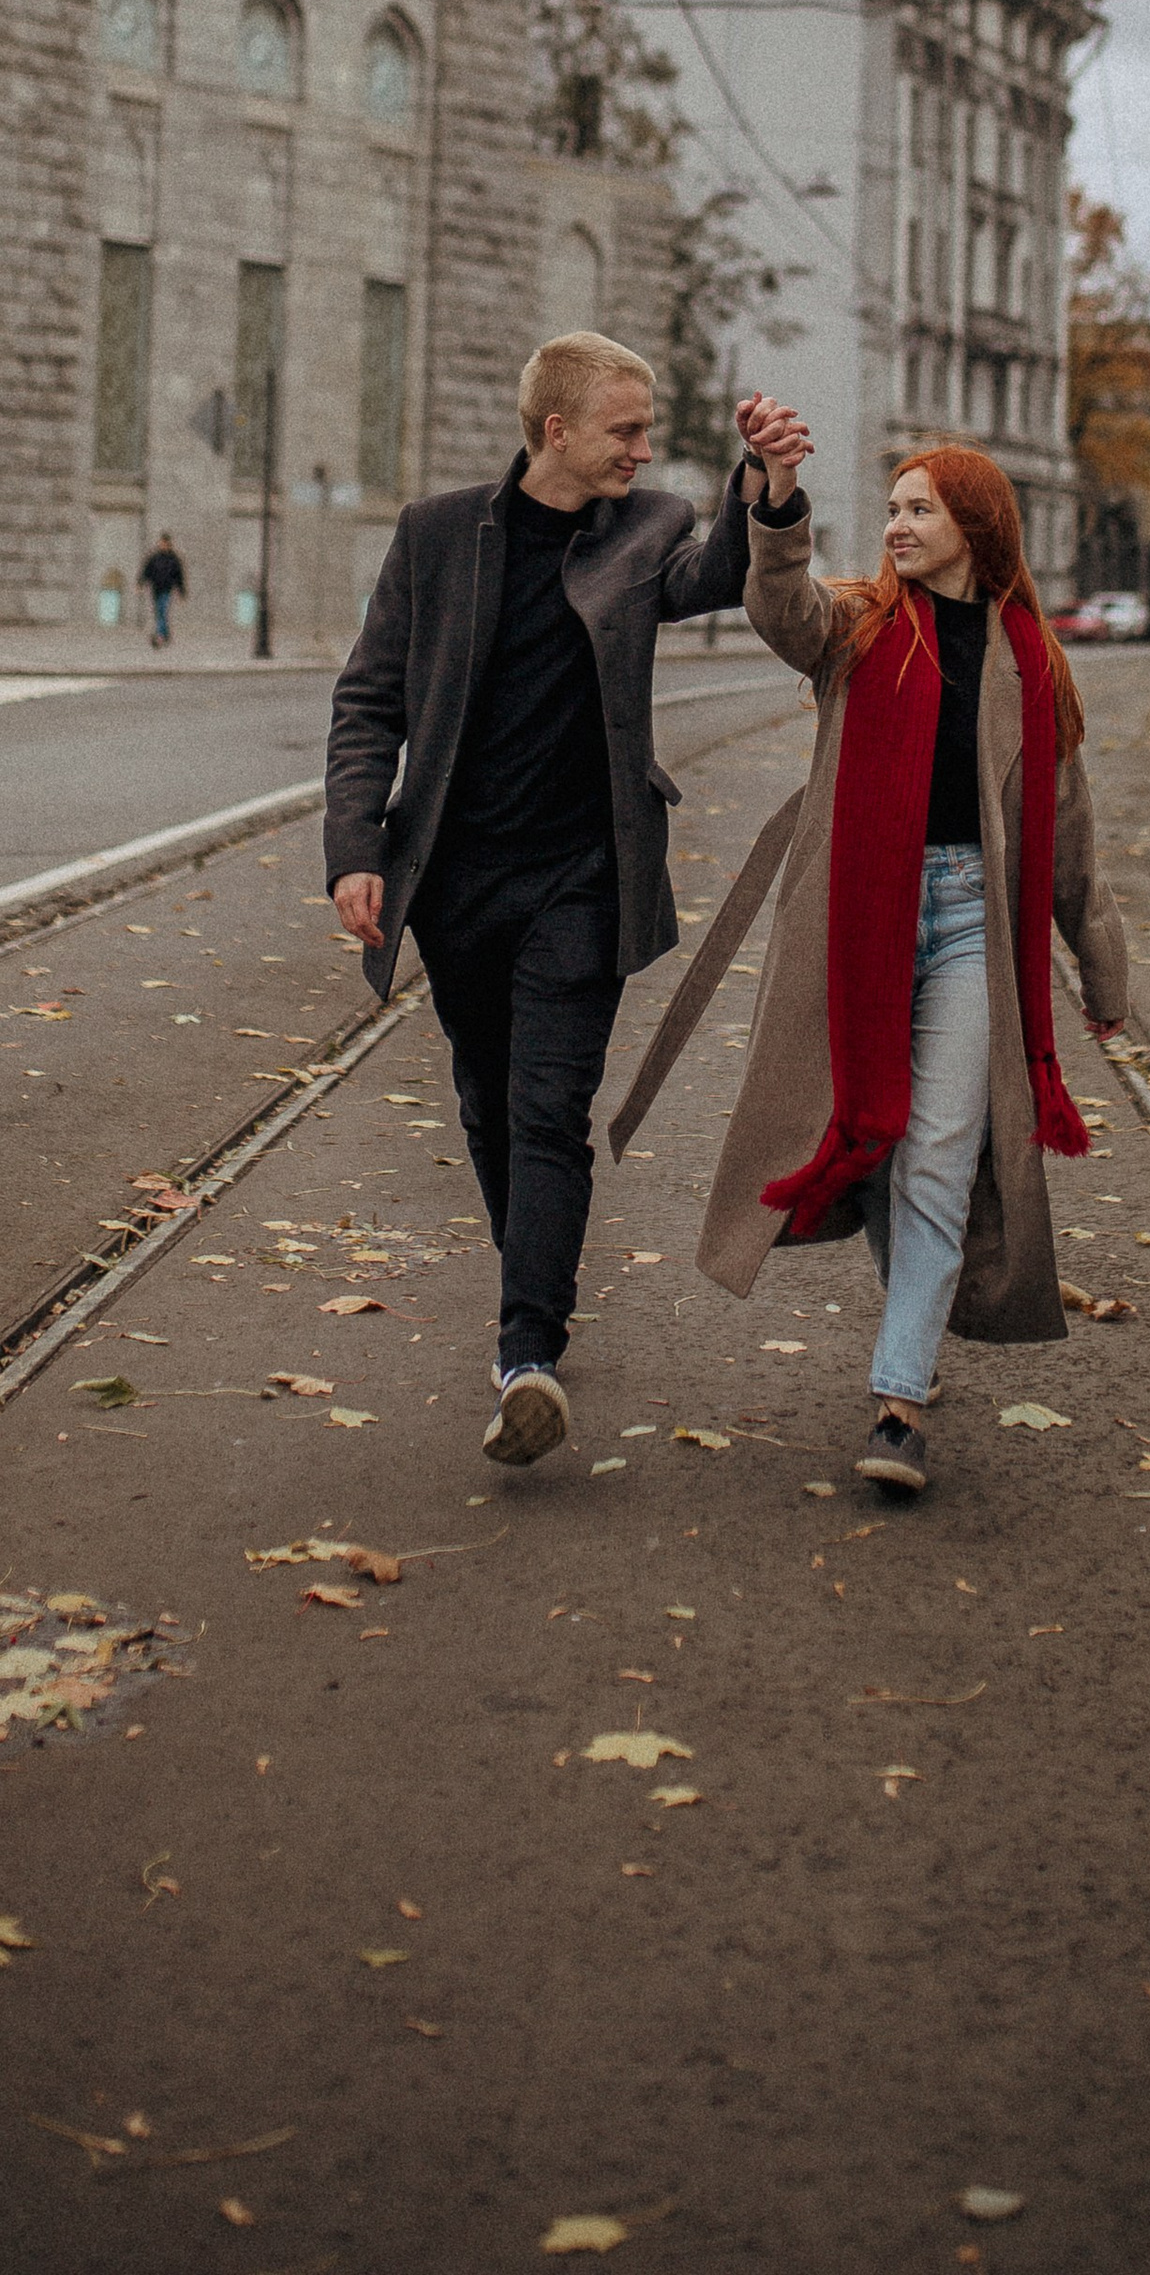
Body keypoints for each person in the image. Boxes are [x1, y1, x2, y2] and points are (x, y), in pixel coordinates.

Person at [325, 329, 811, 1470]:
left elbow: (715, 576)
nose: (644, 450)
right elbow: (369, 700)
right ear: (555, 431)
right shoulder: (438, 535)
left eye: (646, 430)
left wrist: (765, 484)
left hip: (584, 878)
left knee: (549, 1109)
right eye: (624, 430)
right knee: (490, 1105)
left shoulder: (648, 530)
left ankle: (527, 1354)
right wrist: (356, 847)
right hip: (454, 880)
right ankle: (530, 1282)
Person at [698, 443, 1128, 1498]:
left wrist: (1102, 972)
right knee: (887, 1150)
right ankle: (917, 1318)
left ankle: (897, 1401)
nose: (894, 525)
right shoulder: (857, 627)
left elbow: (1067, 834)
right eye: (889, 506)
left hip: (977, 927)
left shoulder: (1033, 664)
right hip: (864, 923)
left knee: (940, 1151)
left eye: (918, 509)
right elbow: (776, 603)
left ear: (973, 527)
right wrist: (781, 498)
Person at [139, 531, 186, 647]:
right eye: (161, 543)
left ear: (168, 544)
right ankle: (166, 634)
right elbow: (147, 570)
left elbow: (179, 575)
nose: (162, 545)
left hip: (166, 589)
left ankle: (159, 636)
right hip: (156, 589)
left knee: (162, 611)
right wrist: (141, 583)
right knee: (159, 612)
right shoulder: (154, 557)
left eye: (164, 543)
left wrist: (181, 590)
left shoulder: (174, 559)